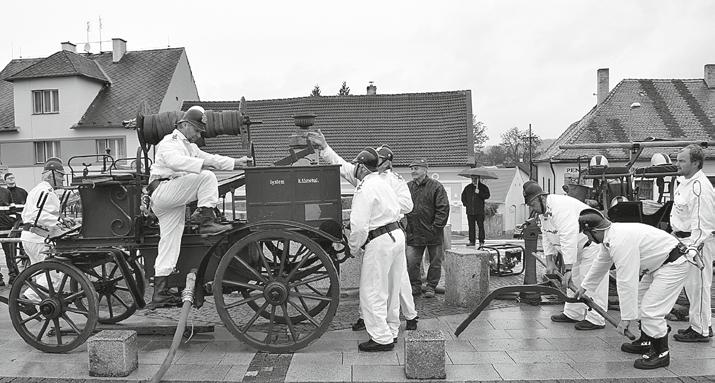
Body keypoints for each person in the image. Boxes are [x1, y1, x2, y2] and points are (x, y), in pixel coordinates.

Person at [306, 131, 418, 332]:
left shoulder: (386, 181)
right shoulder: (371, 180)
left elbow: (404, 206)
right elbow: (342, 165)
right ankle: (382, 325)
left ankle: (405, 320)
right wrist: (324, 147)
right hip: (390, 236)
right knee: (381, 286)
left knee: (386, 285)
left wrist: (356, 246)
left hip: (384, 235)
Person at [147, 105, 251, 308]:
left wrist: (236, 162)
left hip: (168, 197)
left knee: (170, 242)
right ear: (183, 125)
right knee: (206, 178)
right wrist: (201, 166)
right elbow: (176, 162)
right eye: (195, 130)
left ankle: (159, 293)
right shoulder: (170, 142)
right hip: (164, 190)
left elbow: (210, 158)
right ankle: (206, 220)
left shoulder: (189, 147)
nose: (197, 134)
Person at [576, 209, 690, 369]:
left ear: (594, 231)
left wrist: (626, 319)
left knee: (652, 309)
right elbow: (601, 263)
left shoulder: (619, 241)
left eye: (587, 234)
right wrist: (584, 287)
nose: (587, 238)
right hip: (659, 264)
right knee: (639, 301)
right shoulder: (609, 237)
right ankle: (647, 340)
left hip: (674, 264)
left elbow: (626, 281)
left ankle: (661, 353)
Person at [523, 181, 609, 330]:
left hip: (591, 245)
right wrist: (550, 260)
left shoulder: (560, 207)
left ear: (541, 198)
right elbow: (546, 234)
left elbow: (568, 236)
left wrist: (567, 269)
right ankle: (573, 312)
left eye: (532, 204)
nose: (532, 208)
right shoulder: (544, 211)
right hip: (575, 251)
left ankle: (596, 318)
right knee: (574, 280)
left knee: (592, 281)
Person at [348, 147, 405, 351]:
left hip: (380, 240)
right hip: (396, 235)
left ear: (362, 167)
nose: (354, 168)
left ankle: (381, 338)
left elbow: (359, 225)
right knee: (392, 288)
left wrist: (353, 248)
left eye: (356, 165)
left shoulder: (365, 188)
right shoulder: (383, 182)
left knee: (372, 290)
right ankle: (392, 331)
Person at [670, 144, 714, 342]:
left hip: (698, 241)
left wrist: (694, 247)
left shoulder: (699, 187)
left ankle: (702, 330)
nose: (677, 164)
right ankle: (698, 324)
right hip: (684, 238)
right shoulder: (685, 182)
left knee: (700, 286)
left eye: (682, 161)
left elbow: (702, 221)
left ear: (695, 163)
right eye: (677, 160)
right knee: (692, 287)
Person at [19, 158, 73, 314]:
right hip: (38, 237)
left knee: (41, 272)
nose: (63, 178)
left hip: (30, 236)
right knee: (54, 274)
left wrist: (61, 218)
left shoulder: (37, 190)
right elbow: (37, 214)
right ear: (51, 174)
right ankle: (28, 299)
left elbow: (31, 213)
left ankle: (39, 308)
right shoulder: (46, 191)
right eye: (61, 175)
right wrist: (58, 221)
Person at [405, 159, 450, 298]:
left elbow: (443, 208)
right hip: (414, 232)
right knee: (412, 262)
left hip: (432, 232)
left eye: (416, 168)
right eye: (411, 168)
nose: (413, 171)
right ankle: (415, 286)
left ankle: (431, 286)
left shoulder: (436, 187)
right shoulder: (407, 187)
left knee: (435, 262)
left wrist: (435, 227)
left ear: (425, 170)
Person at [0, 172, 28, 285]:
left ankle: (13, 275)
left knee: (10, 253)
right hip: (7, 226)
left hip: (7, 228)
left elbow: (12, 209)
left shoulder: (6, 192)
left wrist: (11, 221)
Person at [461, 175, 490, 247]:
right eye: (472, 178)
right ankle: (472, 241)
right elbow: (463, 197)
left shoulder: (483, 187)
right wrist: (466, 204)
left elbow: (487, 196)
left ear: (478, 179)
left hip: (479, 211)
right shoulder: (468, 188)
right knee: (471, 227)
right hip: (470, 211)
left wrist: (479, 192)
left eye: (475, 178)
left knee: (480, 226)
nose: (473, 180)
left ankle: (481, 241)